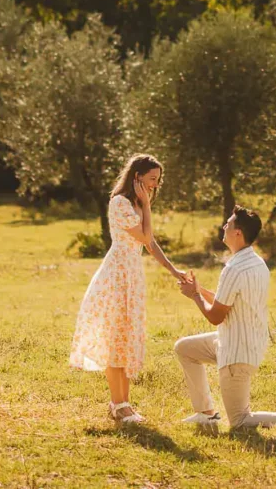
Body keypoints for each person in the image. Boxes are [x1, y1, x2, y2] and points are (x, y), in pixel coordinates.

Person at [173, 206, 276, 433]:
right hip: (239, 341)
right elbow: (225, 302)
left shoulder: (233, 268)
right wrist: (199, 289)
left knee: (240, 421)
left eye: (228, 224)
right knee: (185, 348)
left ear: (238, 233)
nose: (224, 226)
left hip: (237, 352)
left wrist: (193, 295)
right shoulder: (256, 262)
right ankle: (206, 414)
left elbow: (215, 316)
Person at [68, 154, 189, 425]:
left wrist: (173, 270)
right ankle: (118, 404)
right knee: (115, 338)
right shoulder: (121, 203)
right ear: (136, 177)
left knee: (125, 337)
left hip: (132, 277)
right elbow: (145, 237)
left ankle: (124, 404)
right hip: (116, 276)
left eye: (158, 180)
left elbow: (150, 244)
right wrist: (146, 206)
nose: (155, 185)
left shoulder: (135, 204)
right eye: (151, 179)